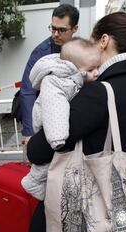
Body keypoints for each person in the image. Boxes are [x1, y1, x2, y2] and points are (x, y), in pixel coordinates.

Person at [25, 11, 126, 232]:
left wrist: (33, 141)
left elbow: (42, 147)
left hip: (90, 205)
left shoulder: (101, 92)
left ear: (104, 41)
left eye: (91, 39)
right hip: (123, 198)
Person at [21, 37, 100, 201]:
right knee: (48, 162)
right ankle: (33, 182)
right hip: (50, 126)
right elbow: (55, 107)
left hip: (54, 127)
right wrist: (58, 137)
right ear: (74, 69)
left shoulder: (72, 80)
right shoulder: (55, 81)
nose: (97, 73)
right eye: (92, 69)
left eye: (97, 68)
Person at [19, 4, 79, 143]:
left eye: (62, 30)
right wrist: (30, 132)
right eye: (53, 28)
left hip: (75, 119)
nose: (55, 34)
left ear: (75, 28)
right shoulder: (40, 53)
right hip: (47, 121)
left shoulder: (82, 49)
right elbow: (28, 91)